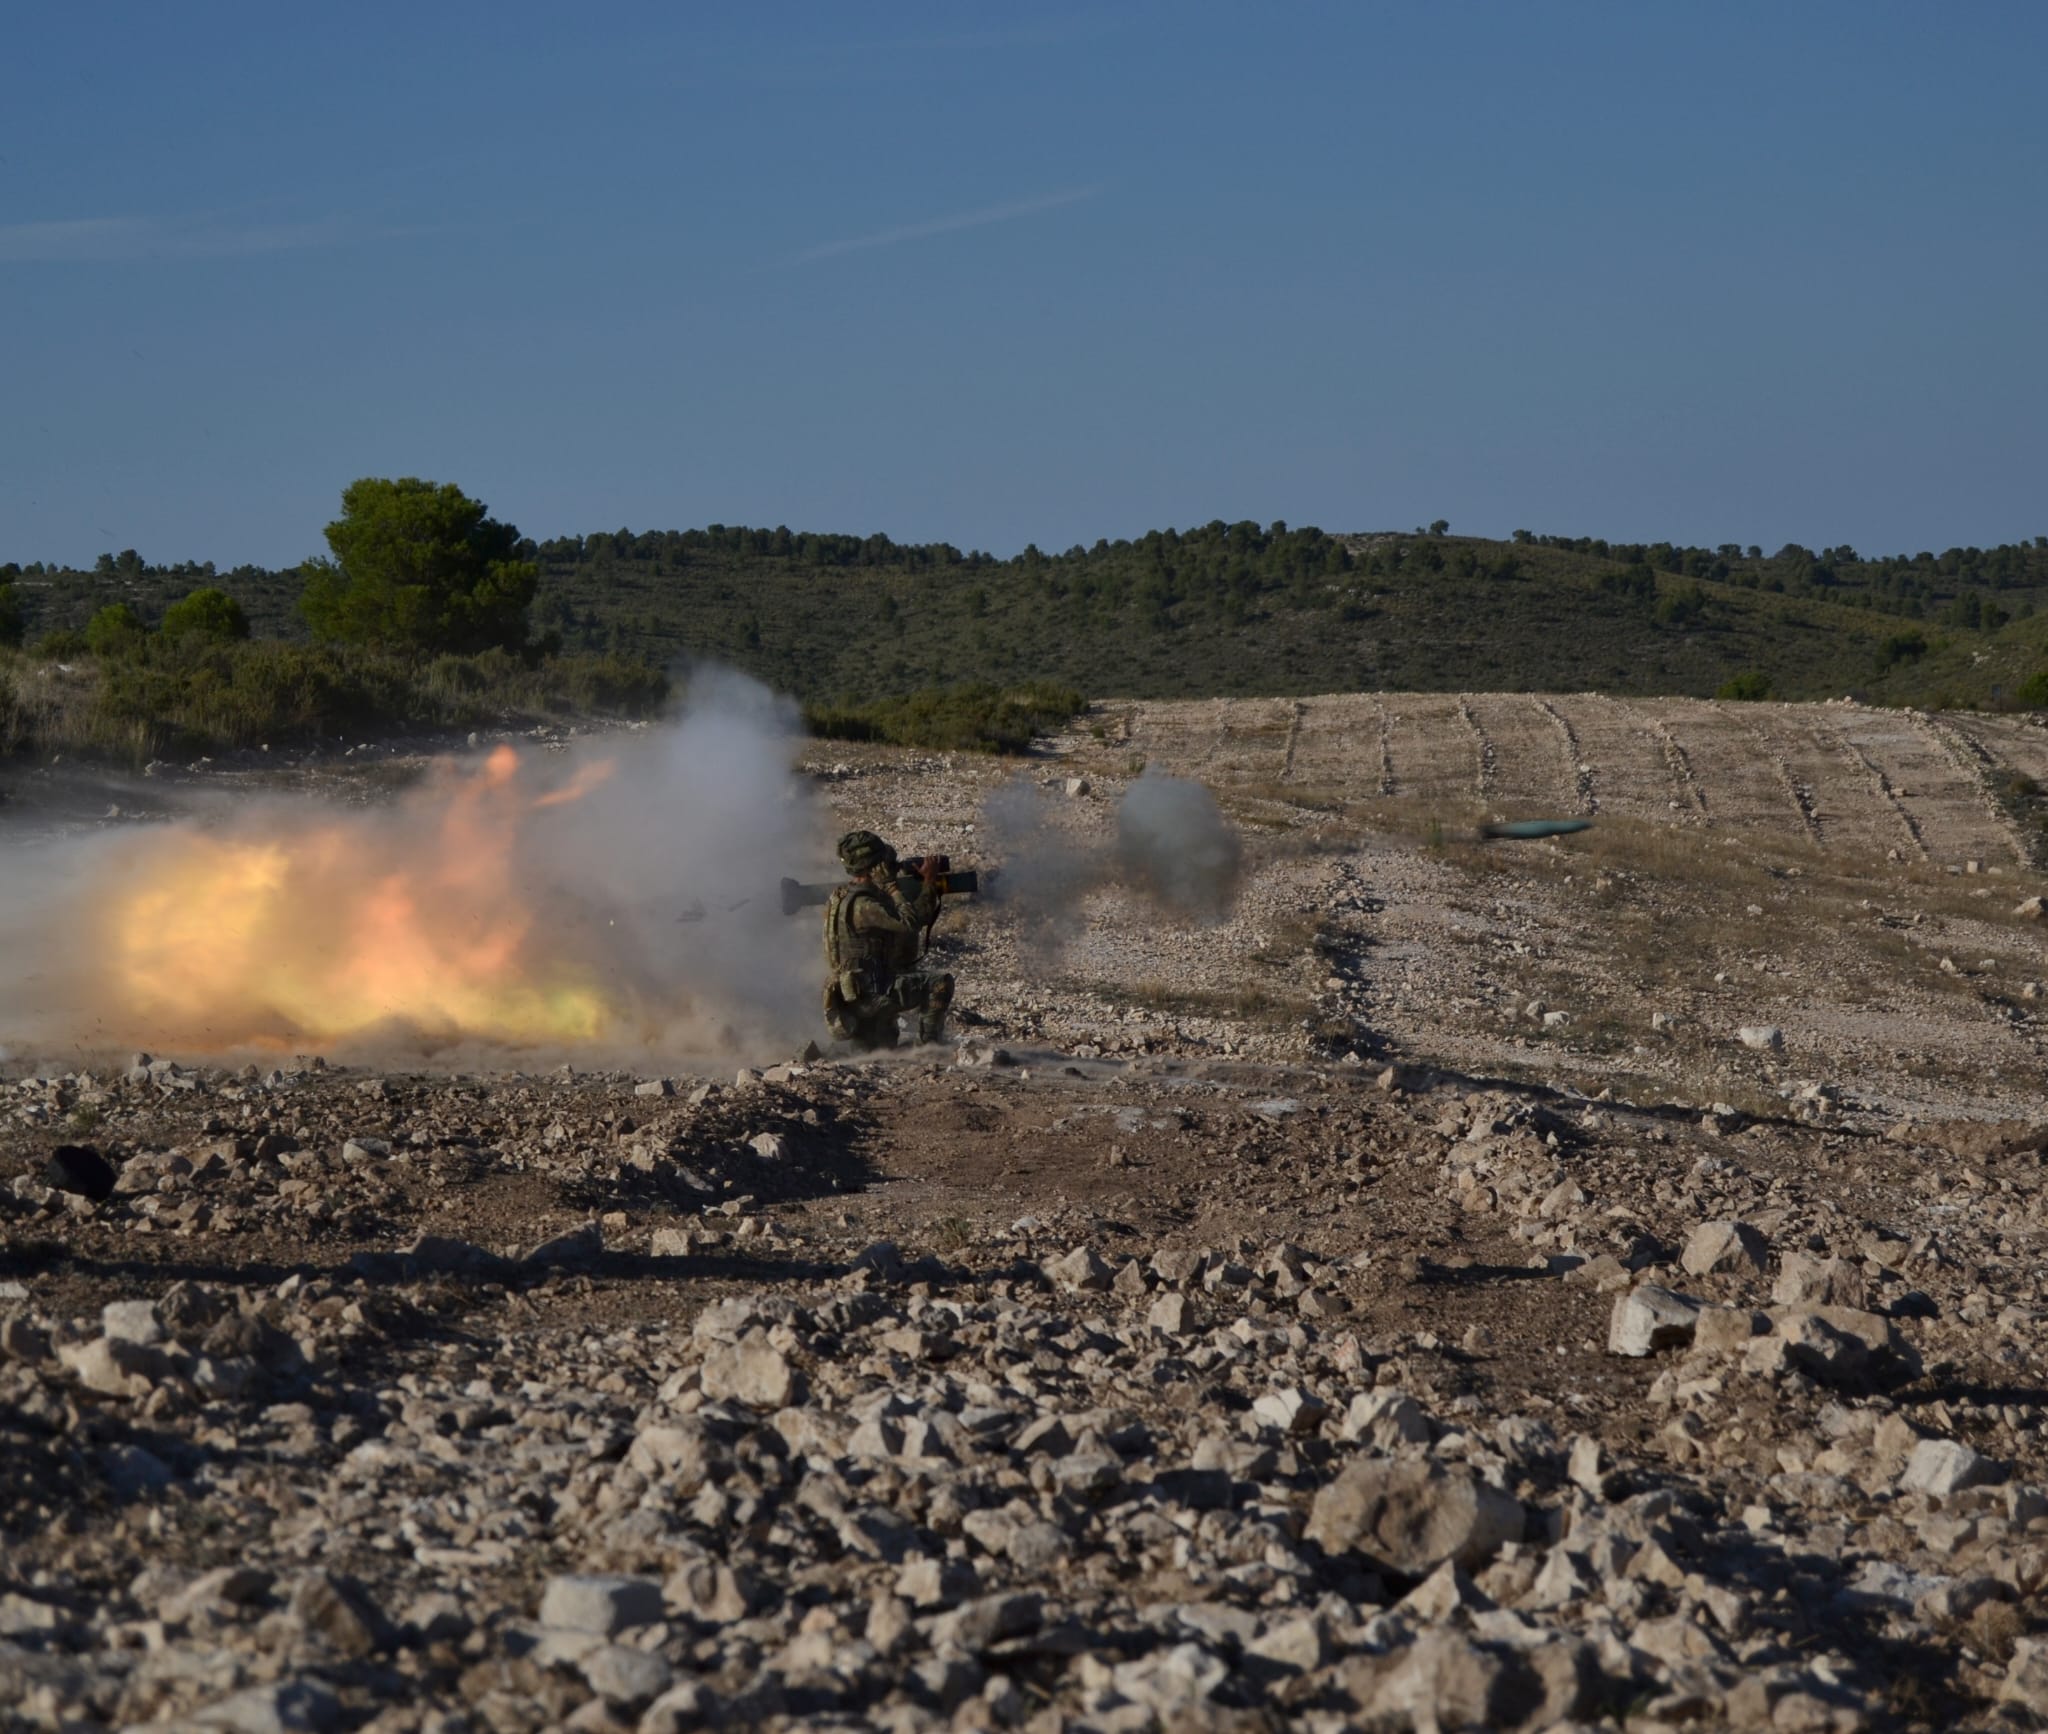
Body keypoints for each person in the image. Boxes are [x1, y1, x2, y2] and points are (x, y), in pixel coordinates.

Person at [822, 830, 955, 1049]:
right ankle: (930, 1049)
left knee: (881, 1047)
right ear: (875, 866)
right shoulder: (866, 906)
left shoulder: (840, 896)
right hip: (870, 994)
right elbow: (911, 922)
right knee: (940, 983)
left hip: (852, 993)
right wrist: (910, 884)